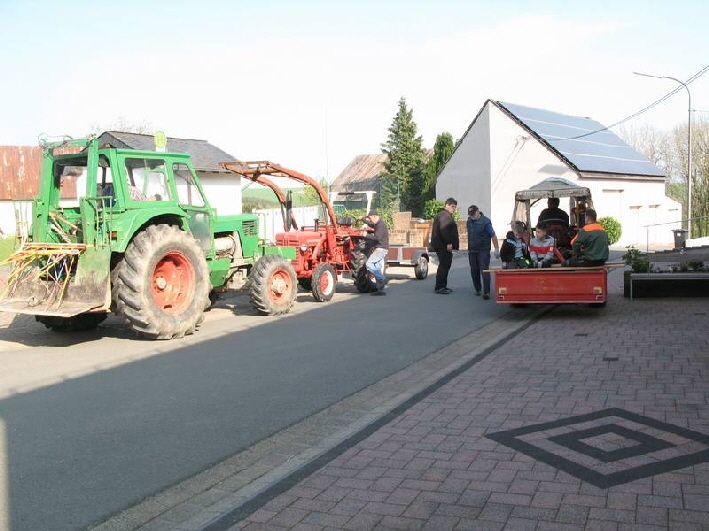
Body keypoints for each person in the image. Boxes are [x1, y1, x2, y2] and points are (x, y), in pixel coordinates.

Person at [466, 205, 499, 300]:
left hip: (483, 250)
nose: (472, 216)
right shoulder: (469, 221)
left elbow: (493, 235)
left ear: (478, 211)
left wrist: (496, 249)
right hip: (472, 250)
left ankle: (486, 292)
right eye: (470, 215)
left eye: (473, 214)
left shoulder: (486, 222)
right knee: (474, 270)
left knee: (484, 270)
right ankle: (477, 289)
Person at [430, 198, 459, 294]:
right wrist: (449, 242)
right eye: (453, 206)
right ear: (447, 205)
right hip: (443, 245)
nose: (454, 209)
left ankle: (441, 286)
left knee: (444, 264)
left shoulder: (442, 214)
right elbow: (444, 229)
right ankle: (440, 287)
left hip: (441, 244)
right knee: (444, 264)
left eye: (454, 207)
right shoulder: (445, 215)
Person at [364, 210, 390, 295]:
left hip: (381, 249)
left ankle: (382, 279)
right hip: (381, 248)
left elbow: (377, 238)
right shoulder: (377, 223)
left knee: (369, 264)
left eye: (371, 219)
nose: (370, 221)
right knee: (377, 268)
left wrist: (365, 235)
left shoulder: (380, 225)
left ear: (375, 216)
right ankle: (380, 290)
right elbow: (370, 224)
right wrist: (362, 219)